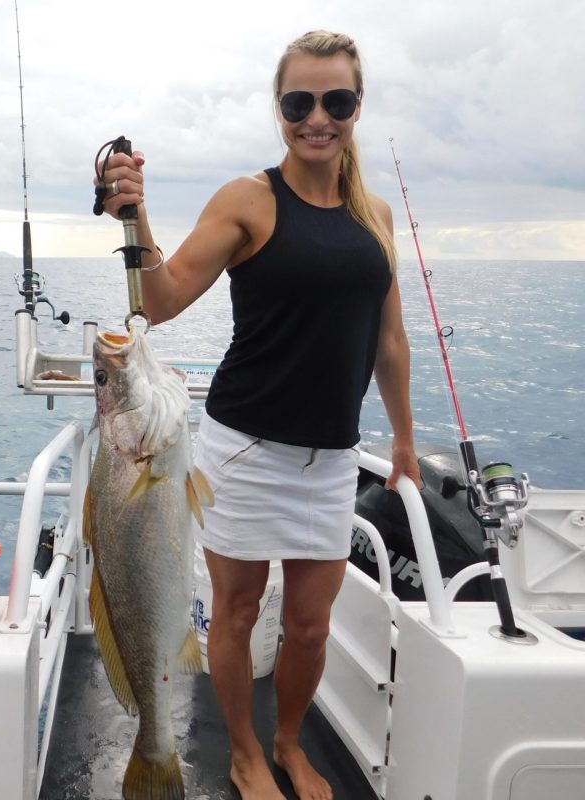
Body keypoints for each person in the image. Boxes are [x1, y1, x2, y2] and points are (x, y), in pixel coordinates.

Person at [95, 29, 421, 800]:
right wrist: (133, 216)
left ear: (356, 107)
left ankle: (288, 743)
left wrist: (404, 440)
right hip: (244, 451)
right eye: (299, 102)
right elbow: (163, 300)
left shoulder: (373, 213)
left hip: (332, 456)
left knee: (310, 625)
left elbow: (392, 339)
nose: (318, 117)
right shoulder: (249, 199)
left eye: (335, 101)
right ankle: (244, 753)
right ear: (280, 110)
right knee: (236, 616)